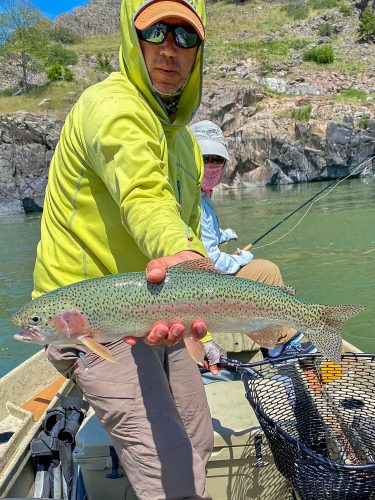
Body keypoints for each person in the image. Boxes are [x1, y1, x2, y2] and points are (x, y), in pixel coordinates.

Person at [32, 1, 214, 499]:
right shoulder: (110, 107)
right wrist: (179, 248)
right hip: (90, 319)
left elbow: (186, 228)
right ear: (132, 37)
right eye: (155, 31)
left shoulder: (184, 143)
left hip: (159, 313)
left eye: (184, 36)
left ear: (199, 49)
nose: (168, 49)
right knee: (173, 473)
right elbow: (144, 197)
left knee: (198, 442)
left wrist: (194, 269)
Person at [190, 120, 317, 377]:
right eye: (205, 158)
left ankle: (281, 339)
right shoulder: (198, 200)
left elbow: (204, 238)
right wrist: (239, 260)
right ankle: (280, 345)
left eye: (217, 159)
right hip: (201, 282)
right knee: (267, 272)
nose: (212, 165)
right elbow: (212, 260)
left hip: (200, 275)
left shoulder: (200, 194)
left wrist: (224, 235)